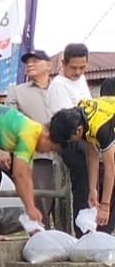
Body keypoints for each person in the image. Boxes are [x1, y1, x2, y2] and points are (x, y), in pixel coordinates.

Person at [0, 104, 61, 228]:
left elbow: (27, 177)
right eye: (51, 149)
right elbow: (19, 175)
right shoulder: (29, 135)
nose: (47, 152)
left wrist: (31, 207)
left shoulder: (33, 132)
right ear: (47, 138)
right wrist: (30, 209)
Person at [5, 49, 57, 225]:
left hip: (63, 154)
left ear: (49, 65)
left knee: (65, 199)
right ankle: (43, 234)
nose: (30, 64)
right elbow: (9, 124)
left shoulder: (59, 87)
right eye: (28, 61)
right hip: (36, 155)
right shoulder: (16, 92)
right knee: (40, 198)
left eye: (36, 60)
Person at [49, 98, 115, 229]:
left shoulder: (100, 127)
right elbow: (91, 154)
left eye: (70, 139)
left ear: (78, 130)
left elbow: (111, 167)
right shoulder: (81, 114)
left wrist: (105, 205)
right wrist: (92, 190)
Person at [47, 43, 93, 222]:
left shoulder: (80, 79)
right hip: (70, 140)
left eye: (82, 67)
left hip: (87, 136)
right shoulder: (59, 85)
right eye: (73, 68)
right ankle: (82, 226)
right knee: (82, 183)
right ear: (63, 64)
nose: (78, 72)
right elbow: (67, 123)